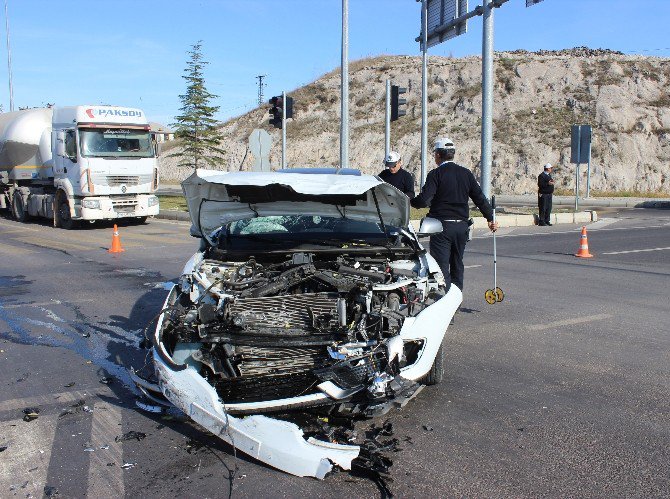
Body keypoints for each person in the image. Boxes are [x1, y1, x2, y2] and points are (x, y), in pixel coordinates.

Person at [411, 137, 498, 293]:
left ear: (438, 154)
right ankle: (456, 297)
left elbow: (423, 200)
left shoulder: (436, 174)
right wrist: (491, 218)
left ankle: (445, 300)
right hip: (462, 227)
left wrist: (411, 202)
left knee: (442, 265)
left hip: (441, 227)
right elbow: (480, 199)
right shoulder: (466, 174)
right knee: (457, 263)